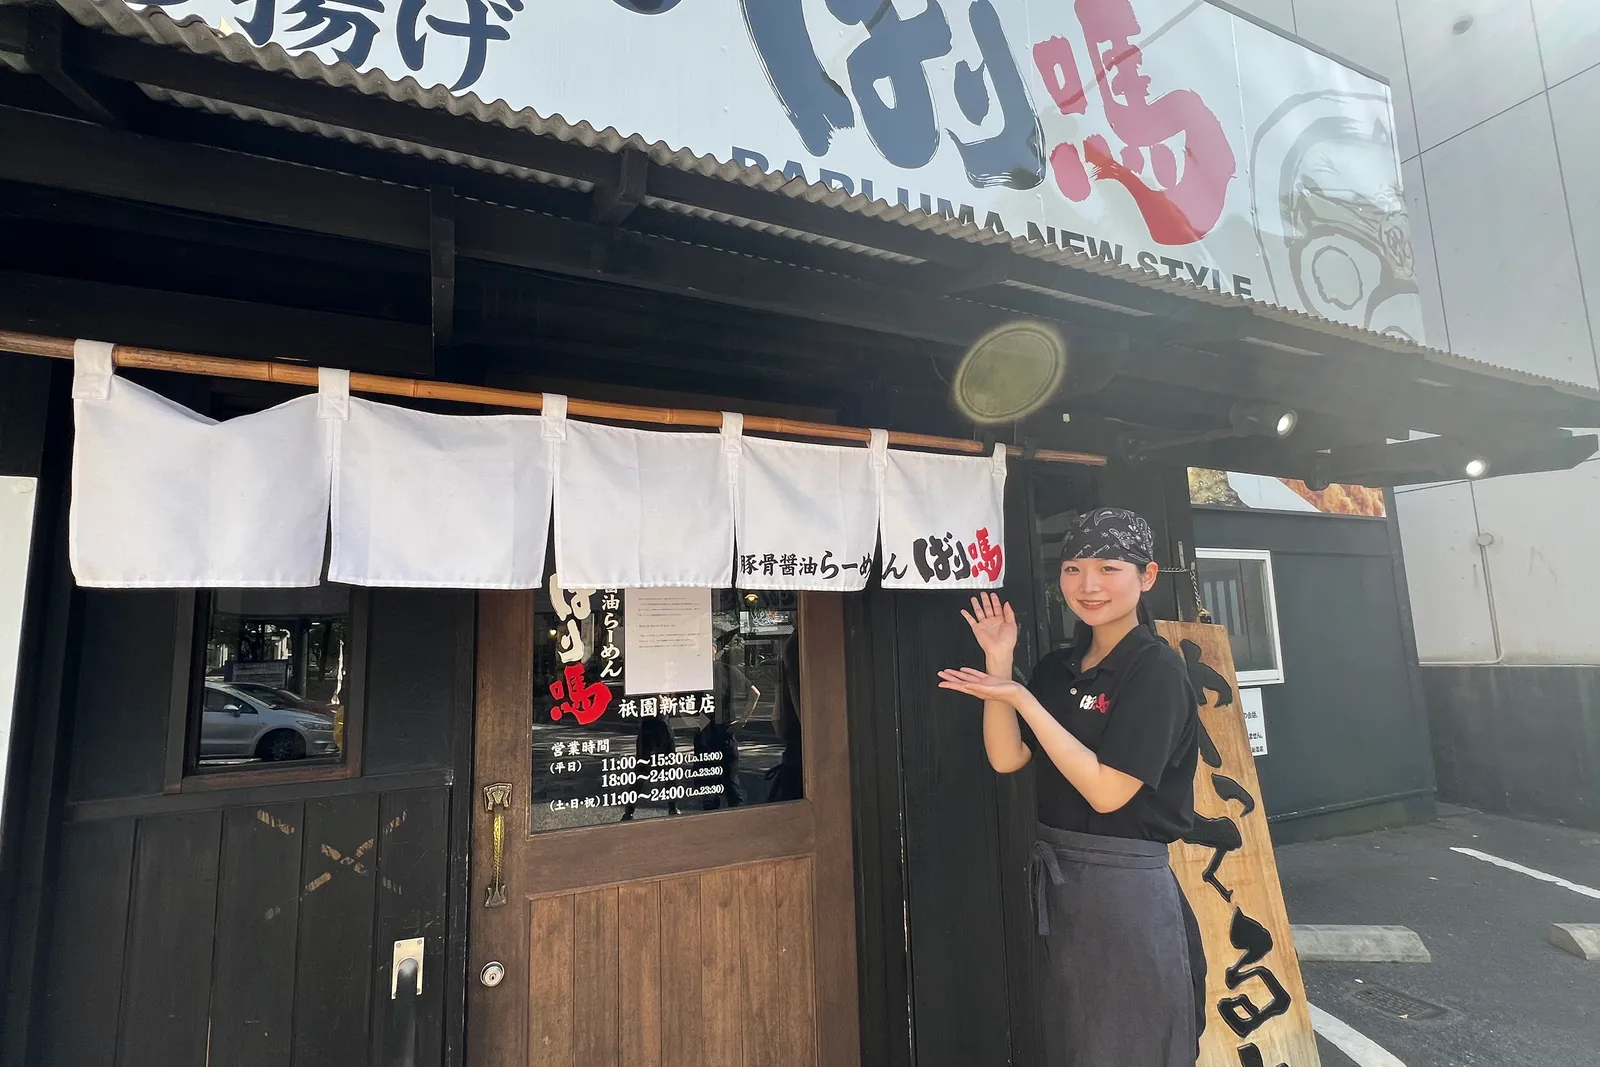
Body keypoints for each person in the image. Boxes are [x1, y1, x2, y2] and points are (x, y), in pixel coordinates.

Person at [936, 507, 1206, 1067]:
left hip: (1124, 887)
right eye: (1073, 569)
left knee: (1127, 1043)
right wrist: (1000, 665)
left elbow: (1107, 793)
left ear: (1147, 576)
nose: (1088, 585)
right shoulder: (1058, 668)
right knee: (1071, 1038)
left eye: (1109, 568)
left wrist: (1022, 699)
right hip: (1060, 880)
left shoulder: (1155, 670)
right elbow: (1007, 758)